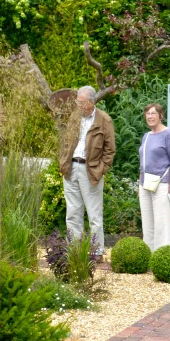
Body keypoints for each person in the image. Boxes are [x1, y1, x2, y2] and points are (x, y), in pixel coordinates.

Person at [58, 85, 116, 258]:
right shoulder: (75, 117)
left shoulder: (104, 120)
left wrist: (100, 171)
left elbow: (110, 151)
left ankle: (96, 252)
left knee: (94, 215)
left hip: (90, 171)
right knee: (72, 213)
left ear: (92, 102)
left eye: (82, 102)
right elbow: (66, 142)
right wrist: (63, 161)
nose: (78, 105)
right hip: (71, 169)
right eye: (78, 101)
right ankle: (75, 250)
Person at [139, 103, 170, 251]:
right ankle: (148, 256)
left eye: (153, 113)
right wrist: (140, 183)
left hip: (162, 183)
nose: (150, 116)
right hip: (145, 184)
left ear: (161, 116)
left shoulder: (169, 134)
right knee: (147, 223)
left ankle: (162, 256)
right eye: (148, 113)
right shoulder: (146, 136)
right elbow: (142, 162)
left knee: (161, 223)